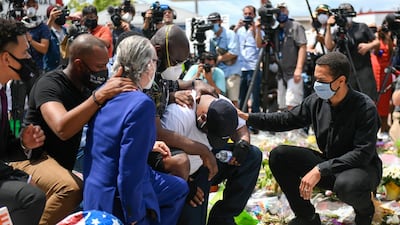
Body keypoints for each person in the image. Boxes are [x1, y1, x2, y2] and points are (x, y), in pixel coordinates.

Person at [238, 52, 382, 225]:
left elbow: (362, 153)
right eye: (316, 79)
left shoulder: (364, 107)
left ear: (341, 81)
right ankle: (307, 216)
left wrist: (321, 168)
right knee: (279, 156)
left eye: (322, 81)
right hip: (330, 166)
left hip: (361, 169)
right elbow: (285, 120)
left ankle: (366, 210)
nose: (317, 85)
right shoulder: (317, 101)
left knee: (346, 185)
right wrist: (247, 117)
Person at [10, 33, 135, 224]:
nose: (104, 73)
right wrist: (98, 97)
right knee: (71, 188)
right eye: (99, 67)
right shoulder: (49, 84)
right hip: (30, 158)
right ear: (79, 64)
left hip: (59, 163)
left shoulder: (87, 86)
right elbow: (62, 128)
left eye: (105, 65)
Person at [84, 35, 188, 225]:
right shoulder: (141, 104)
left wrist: (148, 143)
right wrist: (134, 214)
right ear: (148, 66)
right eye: (155, 61)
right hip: (119, 195)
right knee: (179, 189)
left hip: (94, 189)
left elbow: (110, 138)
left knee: (177, 188)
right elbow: (130, 170)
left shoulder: (104, 92)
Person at [161, 91, 262, 225]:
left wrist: (243, 144)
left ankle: (222, 219)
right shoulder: (179, 114)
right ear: (203, 118)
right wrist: (186, 183)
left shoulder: (224, 106)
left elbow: (241, 129)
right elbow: (160, 159)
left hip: (208, 163)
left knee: (251, 155)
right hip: (183, 174)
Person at [148, 24, 218, 182]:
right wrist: (203, 150)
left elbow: (178, 84)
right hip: (144, 147)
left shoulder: (160, 74)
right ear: (158, 51)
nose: (178, 68)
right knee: (182, 160)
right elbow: (157, 133)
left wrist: (197, 83)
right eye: (176, 62)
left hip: (157, 142)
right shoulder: (147, 79)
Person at [0, 18, 46, 225]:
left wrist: (23, 143)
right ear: (6, 58)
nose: (30, 58)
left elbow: (4, 147)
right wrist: (20, 177)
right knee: (31, 197)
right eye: (25, 53)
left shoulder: (3, 91)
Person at [325, 3, 379, 101]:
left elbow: (376, 42)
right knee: (349, 100)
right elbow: (329, 46)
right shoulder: (338, 31)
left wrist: (368, 46)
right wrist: (328, 26)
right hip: (347, 71)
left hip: (364, 69)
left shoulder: (362, 27)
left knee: (368, 98)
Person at [275, 2, 307, 110]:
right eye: (278, 11)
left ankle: (296, 127)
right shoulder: (276, 30)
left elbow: (302, 47)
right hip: (280, 73)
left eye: (283, 10)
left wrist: (298, 69)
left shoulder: (296, 26)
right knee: (282, 105)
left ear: (287, 11)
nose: (281, 13)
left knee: (293, 104)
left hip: (293, 72)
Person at [234, 5, 263, 115]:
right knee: (241, 97)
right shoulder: (240, 30)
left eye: (250, 14)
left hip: (253, 67)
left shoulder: (258, 28)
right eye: (245, 14)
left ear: (254, 15)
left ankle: (256, 122)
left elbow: (259, 44)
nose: (247, 16)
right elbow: (232, 41)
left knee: (254, 96)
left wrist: (255, 30)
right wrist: (237, 27)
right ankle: (242, 121)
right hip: (241, 68)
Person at [208, 12, 241, 107]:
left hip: (232, 73)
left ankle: (237, 121)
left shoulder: (230, 34)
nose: (212, 24)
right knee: (219, 100)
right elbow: (211, 56)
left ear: (220, 21)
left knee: (233, 101)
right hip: (219, 73)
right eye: (211, 22)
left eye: (214, 21)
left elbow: (233, 53)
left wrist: (218, 59)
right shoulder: (212, 39)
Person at [370, 22, 394, 138]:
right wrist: (377, 35)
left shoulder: (389, 42)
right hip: (375, 76)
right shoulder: (374, 42)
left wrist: (387, 35)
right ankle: (375, 128)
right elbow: (376, 51)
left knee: (384, 103)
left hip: (386, 76)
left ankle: (385, 128)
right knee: (375, 102)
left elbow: (390, 51)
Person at [44, 4, 68, 72]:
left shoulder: (65, 30)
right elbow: (44, 35)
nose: (63, 16)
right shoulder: (47, 30)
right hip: (52, 70)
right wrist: (51, 19)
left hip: (65, 70)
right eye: (59, 13)